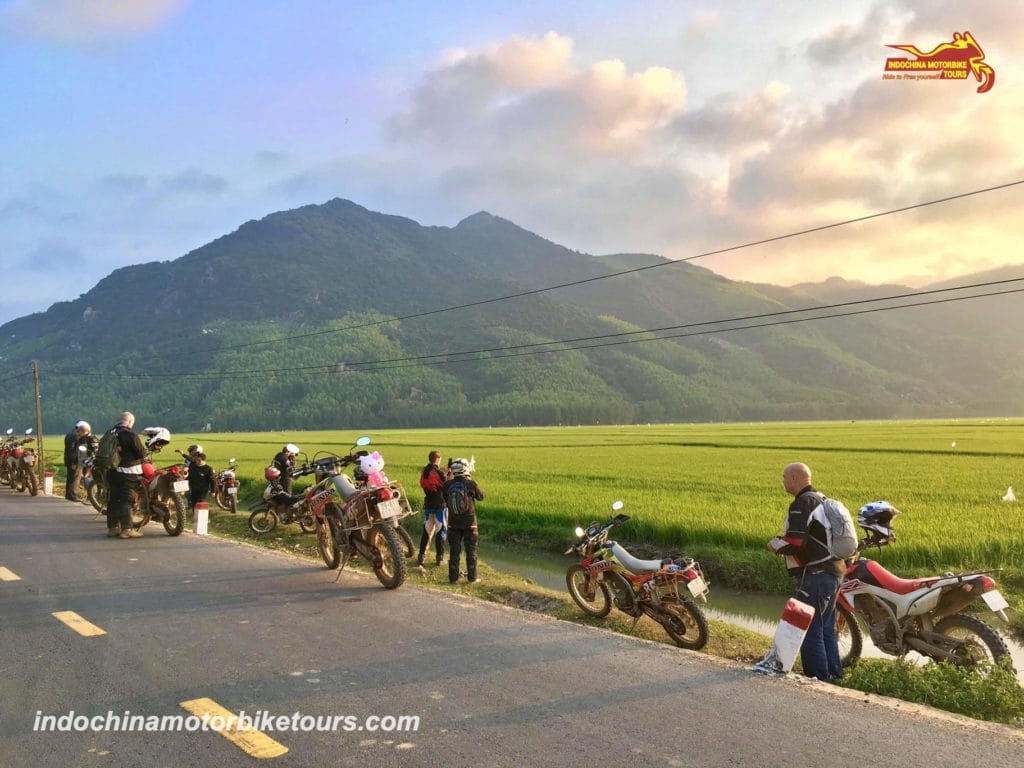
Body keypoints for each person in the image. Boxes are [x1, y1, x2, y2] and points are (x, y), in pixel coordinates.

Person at [767, 462, 843, 681]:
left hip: (816, 575)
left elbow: (796, 541)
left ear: (794, 478)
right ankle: (834, 675)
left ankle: (817, 679)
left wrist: (774, 545)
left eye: (784, 477)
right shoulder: (821, 498)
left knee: (810, 628)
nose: (782, 481)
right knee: (826, 627)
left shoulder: (803, 502)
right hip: (834, 572)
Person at [105, 411, 147, 539]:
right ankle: (127, 529)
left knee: (113, 499)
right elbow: (141, 453)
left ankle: (112, 528)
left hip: (111, 472)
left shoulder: (109, 433)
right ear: (130, 422)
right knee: (127, 500)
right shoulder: (130, 435)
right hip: (128, 472)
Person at [443, 457, 484, 584]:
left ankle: (453, 578)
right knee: (471, 551)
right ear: (465, 468)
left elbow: (445, 499)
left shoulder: (447, 485)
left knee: (454, 551)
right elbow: (481, 497)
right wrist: (471, 481)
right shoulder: (470, 484)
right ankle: (472, 578)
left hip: (453, 523)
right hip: (470, 523)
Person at [417, 450, 449, 567]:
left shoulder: (424, 470)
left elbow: (427, 483)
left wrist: (443, 472)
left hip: (428, 504)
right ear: (438, 459)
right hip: (440, 505)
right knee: (440, 530)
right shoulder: (438, 472)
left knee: (427, 530)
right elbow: (445, 486)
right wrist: (447, 474)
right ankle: (439, 558)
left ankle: (421, 556)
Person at [64, 421, 88, 501]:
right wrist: (75, 462)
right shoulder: (76, 436)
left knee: (70, 477)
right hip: (73, 459)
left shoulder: (69, 434)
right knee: (75, 477)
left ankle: (68, 494)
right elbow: (76, 450)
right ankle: (72, 495)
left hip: (68, 458)